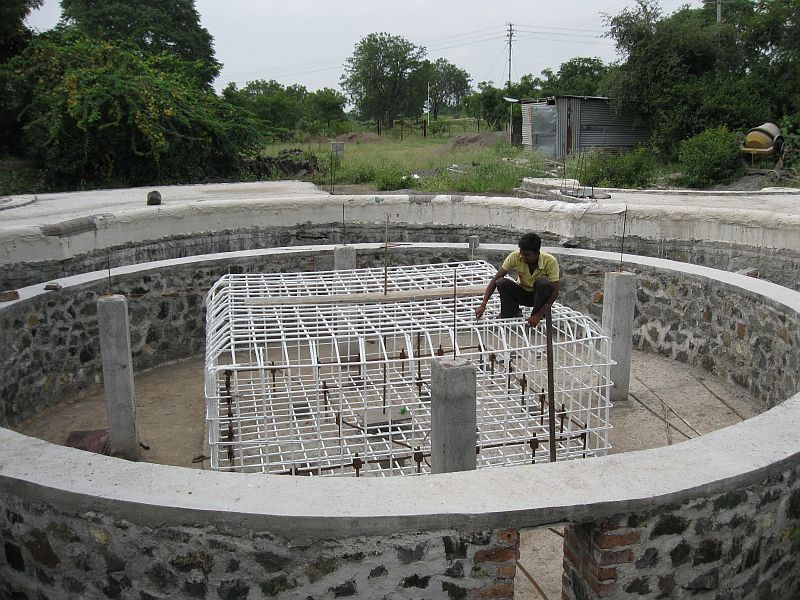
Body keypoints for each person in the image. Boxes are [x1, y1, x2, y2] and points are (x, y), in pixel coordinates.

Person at [475, 232, 560, 327]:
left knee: (542, 282)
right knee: (501, 282)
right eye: (522, 253)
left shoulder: (550, 261)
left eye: (527, 255)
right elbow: (496, 279)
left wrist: (538, 315)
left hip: (539, 297)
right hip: (522, 293)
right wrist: (483, 304)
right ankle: (512, 313)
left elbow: (555, 292)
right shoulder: (515, 256)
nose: (523, 257)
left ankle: (538, 316)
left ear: (537, 253)